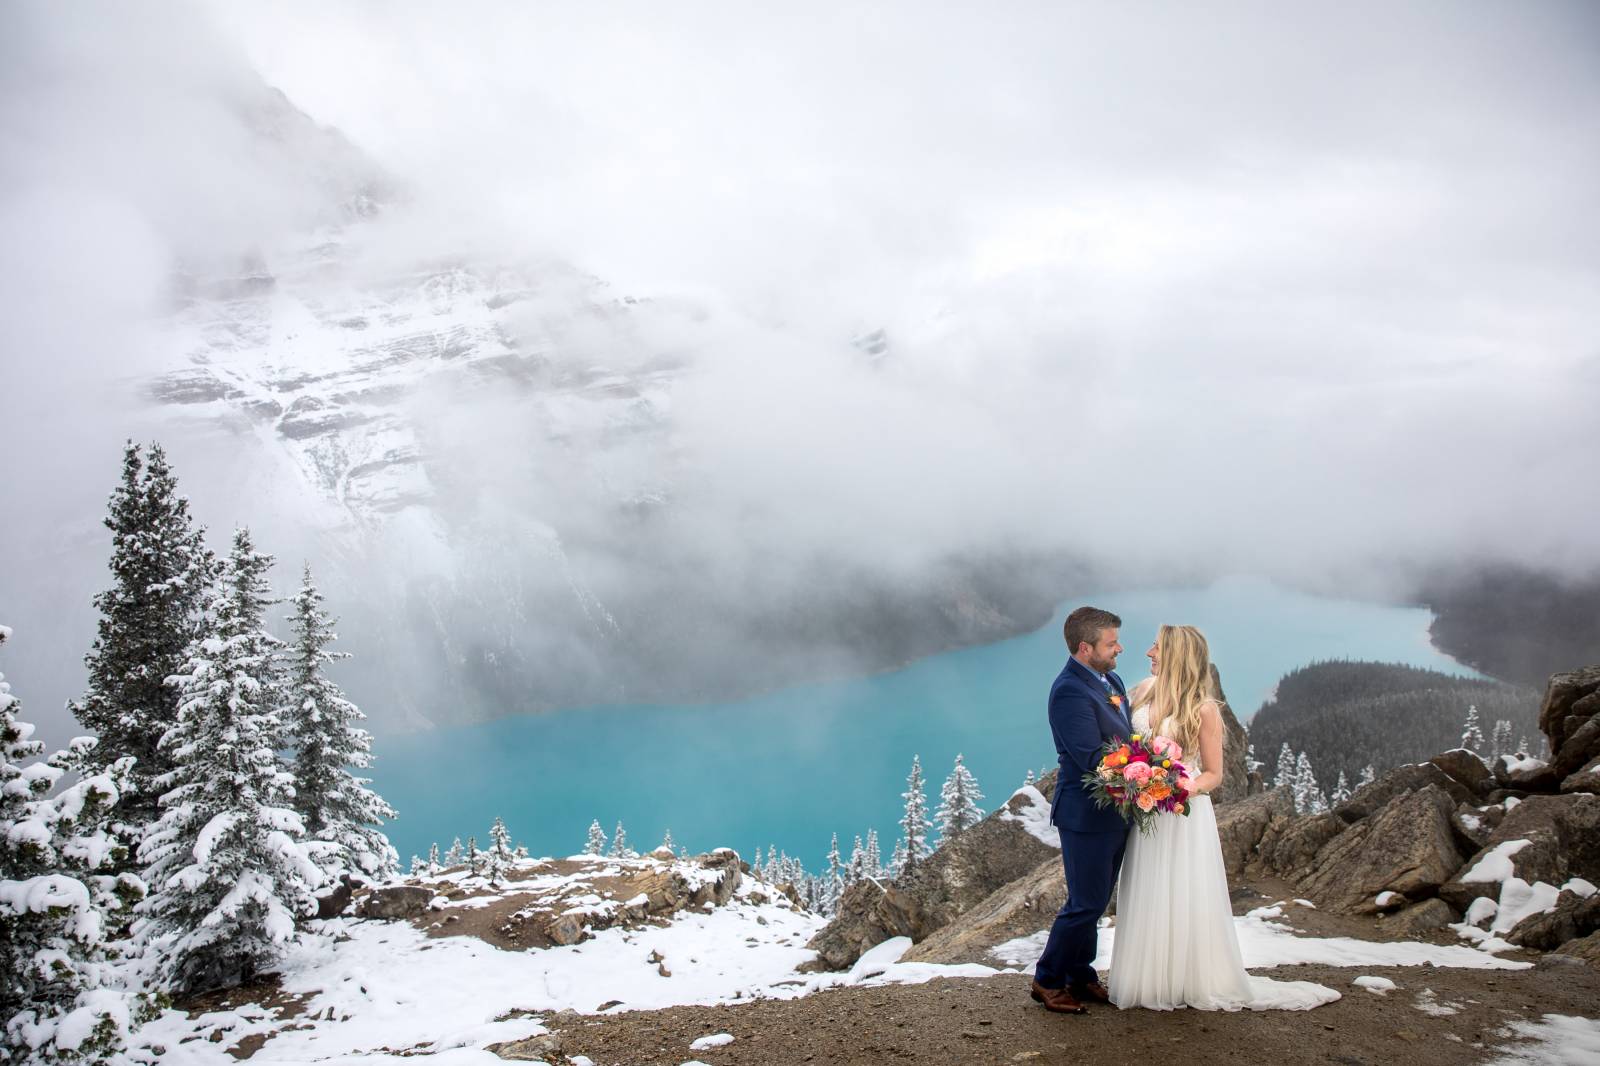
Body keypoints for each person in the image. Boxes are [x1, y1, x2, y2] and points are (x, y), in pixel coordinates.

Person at [1108, 624, 1338, 1011]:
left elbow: (1213, 773)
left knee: (1181, 890)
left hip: (1181, 813)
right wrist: (1133, 777)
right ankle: (1146, 978)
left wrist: (1177, 786)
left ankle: (1184, 979)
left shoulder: (1205, 709)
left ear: (1177, 654)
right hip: (1147, 813)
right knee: (1147, 887)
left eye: (1157, 647)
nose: (1148, 652)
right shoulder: (1141, 692)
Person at [1030, 605, 1133, 1014]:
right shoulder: (1069, 689)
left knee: (1096, 899)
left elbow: (1123, 735)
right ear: (1086, 648)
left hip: (1116, 812)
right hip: (1086, 815)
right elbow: (1092, 756)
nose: (1120, 649)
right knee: (1084, 903)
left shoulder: (1110, 678)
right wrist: (1145, 769)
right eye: (1111, 643)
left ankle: (1080, 974)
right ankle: (1047, 979)